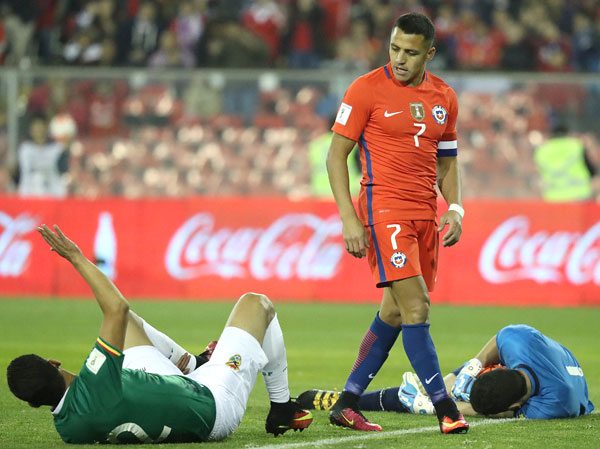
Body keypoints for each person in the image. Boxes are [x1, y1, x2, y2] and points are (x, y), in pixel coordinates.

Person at [6, 225, 312, 444]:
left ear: (34, 404)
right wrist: (76, 257)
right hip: (213, 406)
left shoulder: (69, 431)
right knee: (256, 303)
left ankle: (195, 363)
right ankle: (281, 407)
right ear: (53, 362)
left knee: (127, 327)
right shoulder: (95, 379)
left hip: (163, 388)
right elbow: (116, 308)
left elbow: (119, 328)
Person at [325, 12, 467, 434]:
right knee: (417, 306)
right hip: (384, 211)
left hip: (425, 215)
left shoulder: (445, 97)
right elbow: (335, 156)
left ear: (430, 53)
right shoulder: (365, 89)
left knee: (393, 311)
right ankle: (446, 408)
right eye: (394, 49)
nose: (400, 59)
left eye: (410, 52)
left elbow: (447, 162)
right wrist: (349, 219)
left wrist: (456, 208)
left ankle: (347, 402)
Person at [298, 325, 595, 420]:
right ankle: (349, 400)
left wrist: (430, 407)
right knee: (443, 389)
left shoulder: (552, 406)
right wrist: (473, 367)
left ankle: (350, 400)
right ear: (500, 367)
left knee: (430, 399)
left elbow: (503, 412)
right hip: (547, 362)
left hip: (567, 385)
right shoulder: (516, 341)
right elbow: (499, 339)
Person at [534, 121, 598, 202]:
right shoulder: (576, 145)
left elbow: (537, 172)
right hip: (578, 194)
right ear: (568, 133)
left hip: (552, 196)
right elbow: (590, 168)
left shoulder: (541, 150)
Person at [17, 114, 69, 197]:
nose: (38, 130)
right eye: (36, 127)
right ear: (31, 129)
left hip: (53, 195)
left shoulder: (57, 149)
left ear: (46, 128)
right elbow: (18, 173)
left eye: (41, 127)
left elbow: (64, 172)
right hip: (28, 196)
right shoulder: (24, 150)